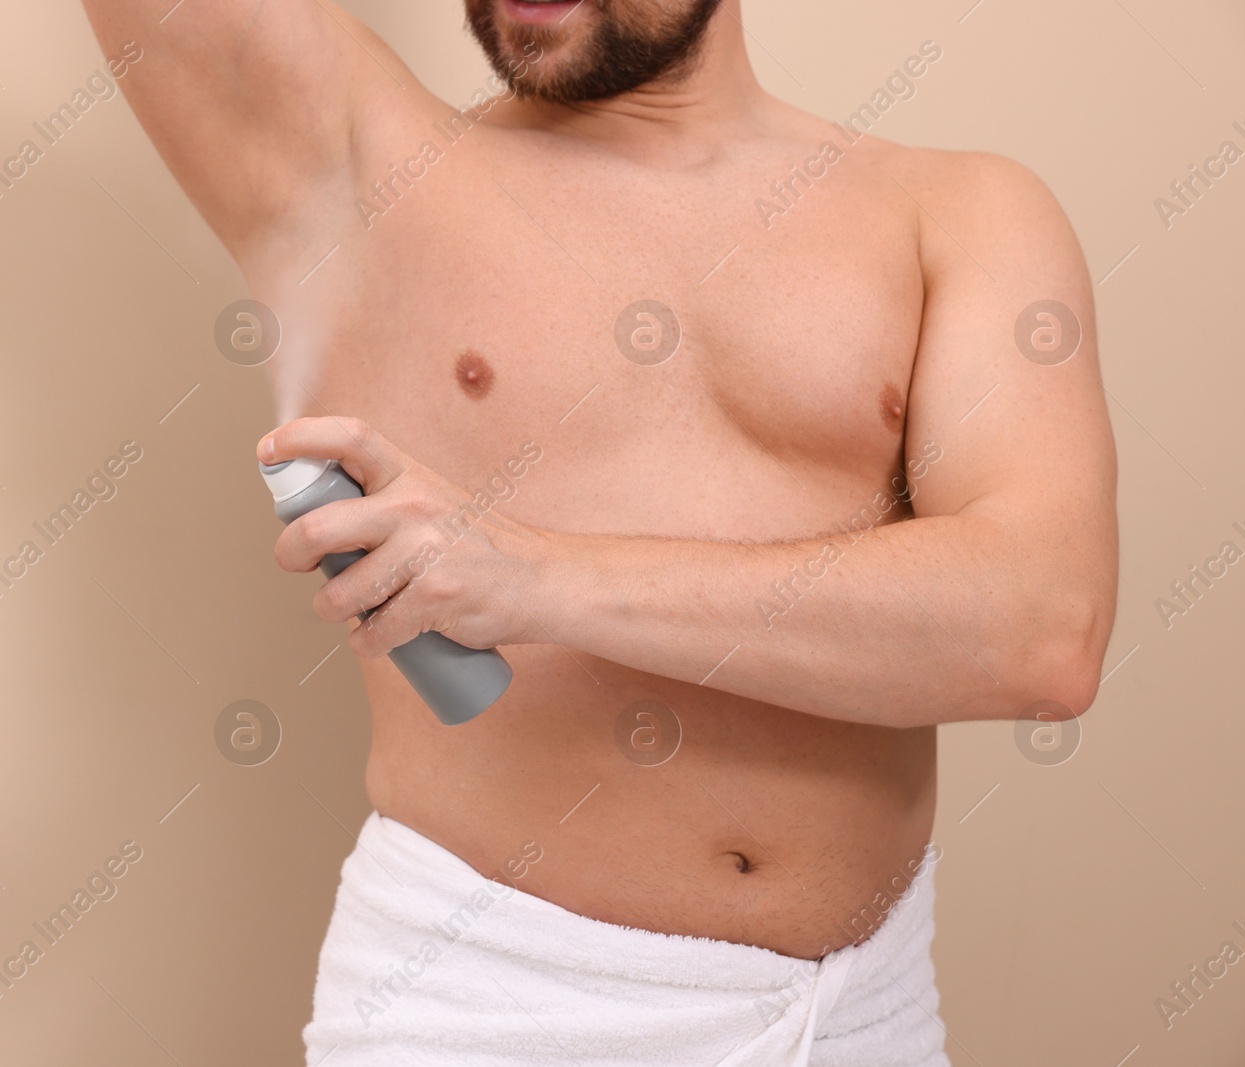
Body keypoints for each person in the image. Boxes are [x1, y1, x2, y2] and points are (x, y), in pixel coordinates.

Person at [79, 0, 1118, 1062]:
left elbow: (1040, 631)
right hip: (490, 1010)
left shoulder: (957, 212)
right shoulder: (362, 172)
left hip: (856, 1020)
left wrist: (540, 578)